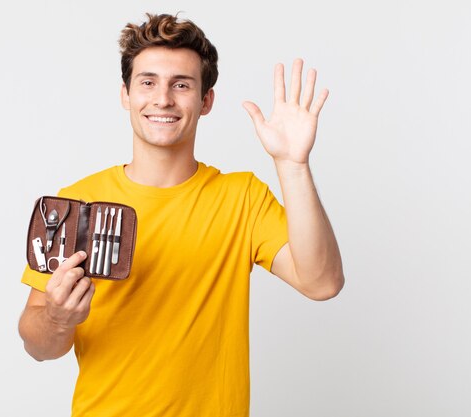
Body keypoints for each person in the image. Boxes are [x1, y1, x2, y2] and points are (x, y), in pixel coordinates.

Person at [18, 13, 344, 417]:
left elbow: (323, 282)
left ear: (206, 100)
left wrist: (293, 165)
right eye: (148, 82)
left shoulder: (240, 198)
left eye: (182, 85)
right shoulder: (78, 202)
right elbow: (38, 346)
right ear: (126, 94)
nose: (163, 99)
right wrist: (57, 316)